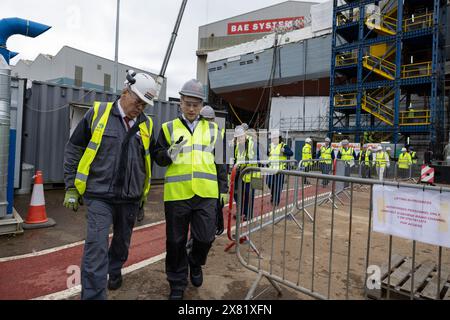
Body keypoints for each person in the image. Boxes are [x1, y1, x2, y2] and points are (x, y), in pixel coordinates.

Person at [63, 70, 158, 300]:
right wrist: (71, 186)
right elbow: (74, 148)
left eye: (145, 105)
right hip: (99, 195)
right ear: (125, 92)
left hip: (130, 198)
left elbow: (151, 159)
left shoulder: (147, 125)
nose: (140, 108)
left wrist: (142, 196)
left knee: (121, 244)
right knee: (96, 248)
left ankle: (114, 269)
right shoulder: (98, 113)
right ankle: (94, 296)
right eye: (138, 102)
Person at [154, 79, 228, 300]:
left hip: (206, 193)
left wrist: (223, 189)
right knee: (175, 242)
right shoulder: (168, 129)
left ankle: (195, 263)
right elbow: (157, 156)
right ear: (180, 103)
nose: (192, 109)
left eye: (196, 104)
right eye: (188, 104)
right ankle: (177, 283)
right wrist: (168, 154)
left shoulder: (215, 130)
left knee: (205, 238)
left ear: (201, 104)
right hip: (177, 195)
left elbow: (221, 162)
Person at [200, 105, 226, 236]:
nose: (207, 123)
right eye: (205, 120)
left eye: (209, 120)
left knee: (213, 211)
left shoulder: (217, 135)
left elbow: (221, 165)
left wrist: (223, 189)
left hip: (212, 184)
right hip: (198, 184)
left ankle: (214, 229)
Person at [232, 125, 257, 221]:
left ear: (245, 135)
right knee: (236, 192)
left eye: (240, 137)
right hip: (241, 173)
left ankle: (248, 213)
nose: (239, 139)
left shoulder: (252, 144)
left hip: (252, 174)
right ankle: (240, 211)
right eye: (237, 138)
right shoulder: (238, 145)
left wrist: (245, 165)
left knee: (248, 194)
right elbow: (237, 157)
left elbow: (256, 159)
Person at [266, 130, 293, 206]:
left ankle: (275, 201)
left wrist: (284, 151)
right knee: (269, 183)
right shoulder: (271, 145)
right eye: (273, 138)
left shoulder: (283, 145)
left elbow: (291, 153)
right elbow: (269, 155)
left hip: (280, 169)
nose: (273, 139)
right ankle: (273, 195)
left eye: (275, 138)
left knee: (278, 186)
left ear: (279, 138)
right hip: (271, 169)